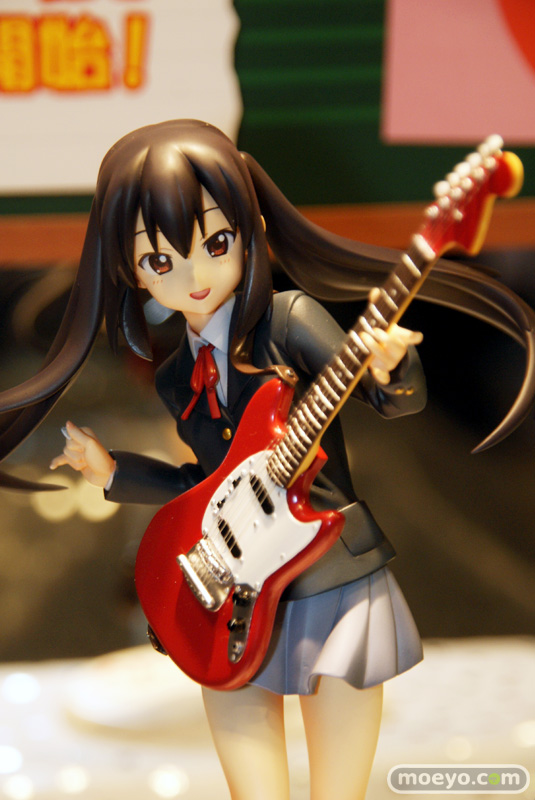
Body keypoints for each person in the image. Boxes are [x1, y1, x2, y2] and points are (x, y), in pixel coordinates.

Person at [0, 120, 534, 800]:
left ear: (249, 231)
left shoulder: (290, 321)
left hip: (328, 576)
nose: (193, 276)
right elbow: (203, 485)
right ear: (129, 269)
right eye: (159, 262)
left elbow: (387, 400)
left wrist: (390, 367)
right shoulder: (176, 376)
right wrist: (114, 473)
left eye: (215, 244)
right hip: (230, 590)